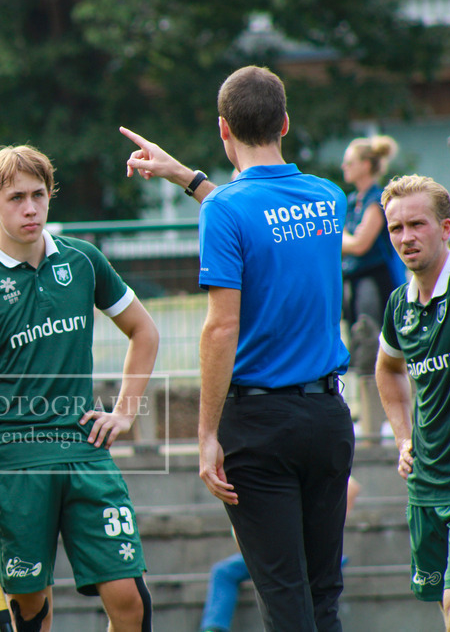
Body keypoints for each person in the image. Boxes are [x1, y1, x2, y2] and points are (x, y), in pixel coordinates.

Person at [121, 65, 354, 631]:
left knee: (283, 596)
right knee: (324, 592)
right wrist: (185, 175)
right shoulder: (329, 198)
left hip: (259, 425)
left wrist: (206, 434)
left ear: (223, 129)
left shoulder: (225, 211)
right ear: (286, 122)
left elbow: (220, 328)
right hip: (328, 417)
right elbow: (262, 210)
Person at [0, 145, 159, 631]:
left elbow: (144, 331)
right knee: (29, 605)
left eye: (38, 195)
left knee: (130, 598)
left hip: (84, 450)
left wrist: (124, 412)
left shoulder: (83, 260)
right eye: (16, 197)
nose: (30, 208)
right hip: (14, 459)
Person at [375, 174, 450, 630]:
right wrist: (404, 438)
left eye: (417, 225)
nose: (406, 238)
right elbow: (386, 370)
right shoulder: (398, 305)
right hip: (426, 484)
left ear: (446, 228)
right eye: (395, 228)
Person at [198, 477, 361, 632]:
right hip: (274, 549)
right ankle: (214, 628)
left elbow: (351, 486)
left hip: (307, 548)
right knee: (224, 571)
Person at [339, 135, 405, 439]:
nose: (344, 167)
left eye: (350, 162)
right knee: (359, 349)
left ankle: (376, 429)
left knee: (375, 349)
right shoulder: (352, 200)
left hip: (374, 286)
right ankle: (369, 424)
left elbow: (361, 243)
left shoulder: (377, 199)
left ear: (366, 165)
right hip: (354, 285)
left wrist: (334, 237)